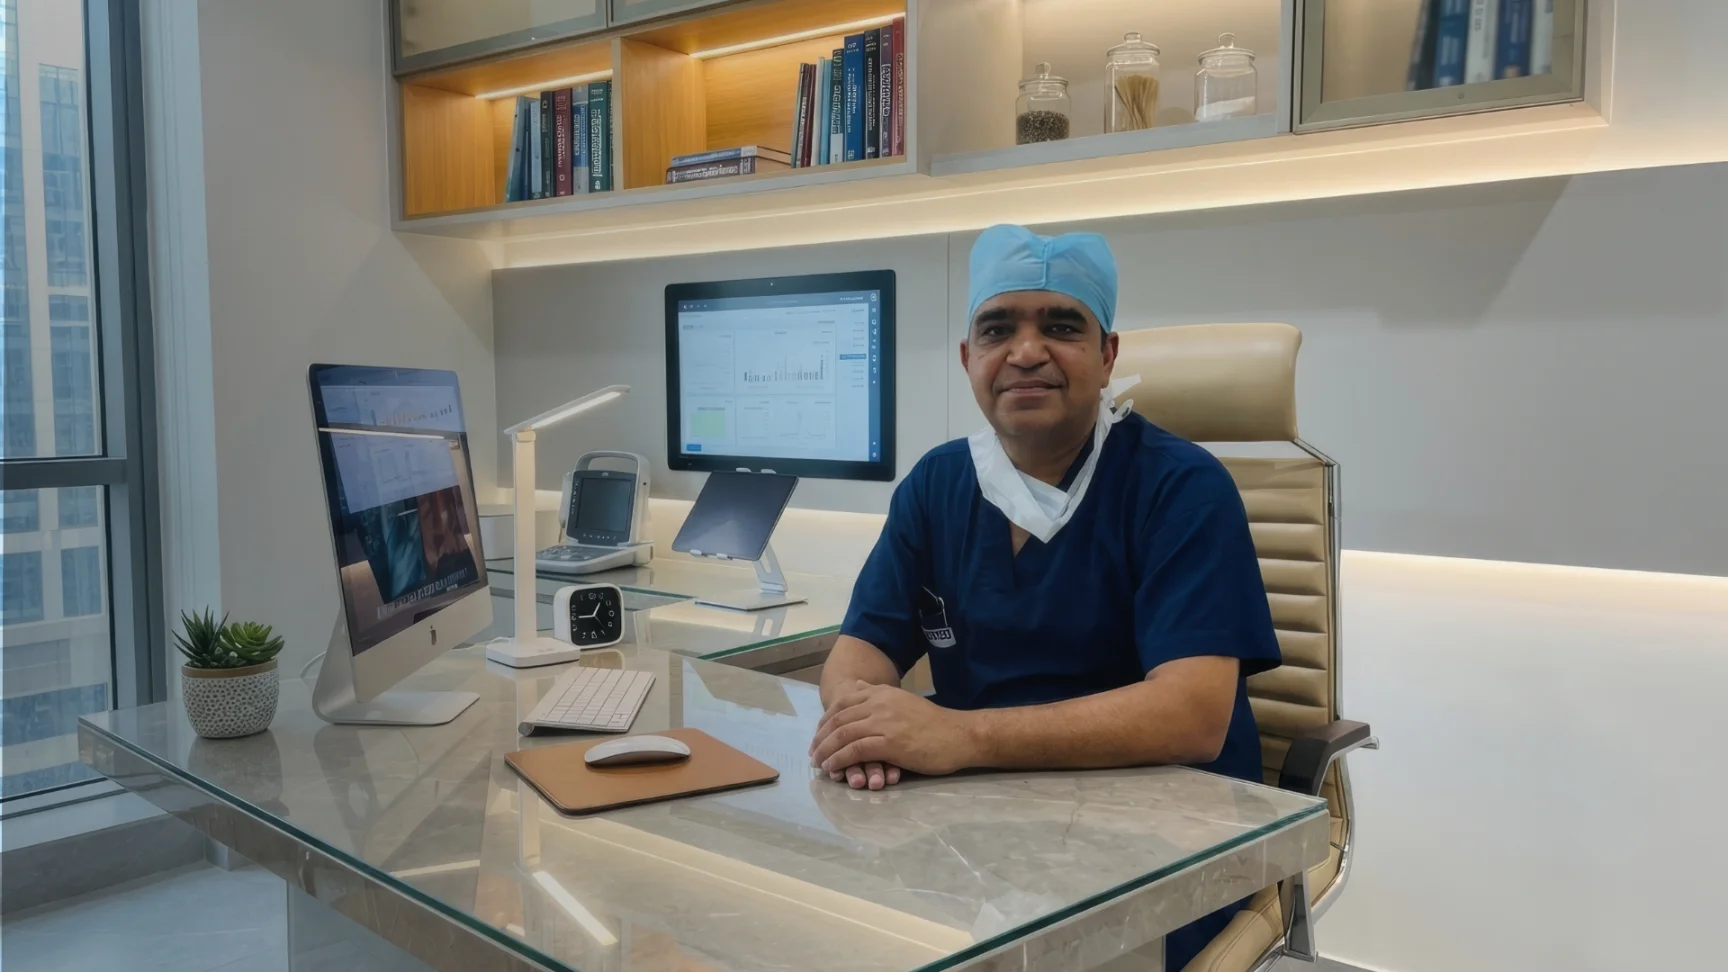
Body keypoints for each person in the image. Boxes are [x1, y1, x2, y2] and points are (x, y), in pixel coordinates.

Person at [808, 224, 1282, 971]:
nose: (1026, 351)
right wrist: (865, 733)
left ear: (1108, 355)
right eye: (998, 329)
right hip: (976, 825)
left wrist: (959, 739)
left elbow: (1191, 717)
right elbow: (857, 658)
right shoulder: (937, 486)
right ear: (968, 358)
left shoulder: (1182, 488)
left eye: (1061, 327)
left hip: (1166, 837)